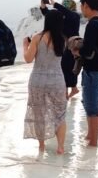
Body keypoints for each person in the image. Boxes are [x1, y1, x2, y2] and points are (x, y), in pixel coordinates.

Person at [23, 10, 68, 154]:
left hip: (38, 80)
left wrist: (25, 45)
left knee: (39, 114)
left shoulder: (37, 37)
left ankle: (41, 146)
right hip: (57, 80)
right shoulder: (63, 40)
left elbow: (28, 59)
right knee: (60, 114)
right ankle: (60, 147)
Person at [73, 0, 98, 147]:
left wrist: (77, 52)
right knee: (89, 102)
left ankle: (94, 141)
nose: (82, 10)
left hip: (93, 70)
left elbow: (88, 51)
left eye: (82, 6)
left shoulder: (93, 24)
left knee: (92, 105)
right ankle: (90, 135)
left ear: (87, 5)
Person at [40, 0, 81, 98]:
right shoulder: (63, 18)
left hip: (73, 47)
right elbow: (51, 17)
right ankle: (72, 90)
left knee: (67, 69)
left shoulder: (74, 16)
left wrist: (56, 4)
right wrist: (43, 7)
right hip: (66, 46)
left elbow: (69, 14)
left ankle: (65, 95)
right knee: (66, 69)